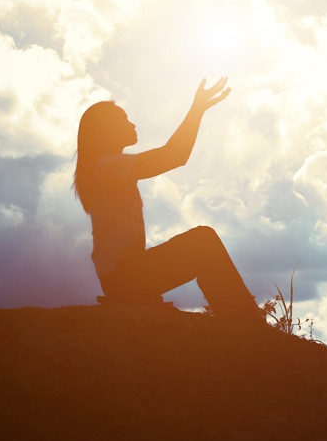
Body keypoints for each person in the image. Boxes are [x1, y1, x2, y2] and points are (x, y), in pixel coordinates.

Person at [73, 77, 264, 328]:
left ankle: (247, 325)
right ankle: (248, 327)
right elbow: (175, 155)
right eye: (123, 119)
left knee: (203, 243)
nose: (132, 123)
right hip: (126, 277)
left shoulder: (109, 167)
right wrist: (197, 109)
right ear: (107, 129)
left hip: (126, 275)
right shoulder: (107, 167)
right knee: (203, 241)